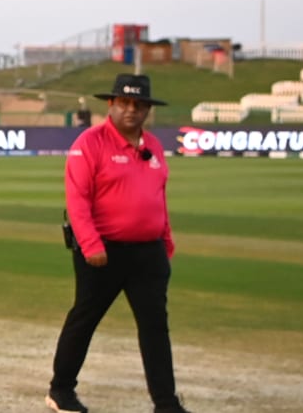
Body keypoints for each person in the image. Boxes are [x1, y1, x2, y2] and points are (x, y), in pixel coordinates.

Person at [46, 74, 189, 413]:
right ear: (111, 104)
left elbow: (158, 198)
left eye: (139, 105)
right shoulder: (89, 143)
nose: (131, 110)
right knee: (84, 319)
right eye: (124, 103)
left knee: (155, 328)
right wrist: (91, 244)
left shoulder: (153, 146)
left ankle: (166, 403)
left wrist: (165, 241)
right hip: (102, 252)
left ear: (147, 110)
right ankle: (60, 390)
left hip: (148, 252)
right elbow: (77, 200)